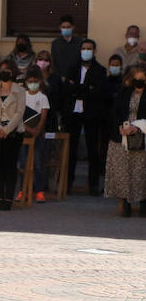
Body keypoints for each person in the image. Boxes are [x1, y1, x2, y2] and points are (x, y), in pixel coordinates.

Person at [63, 38, 109, 195]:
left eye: (89, 48)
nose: (86, 51)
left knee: (92, 150)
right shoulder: (72, 68)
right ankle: (67, 183)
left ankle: (93, 184)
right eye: (84, 48)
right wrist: (85, 88)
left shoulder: (100, 70)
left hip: (91, 114)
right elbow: (67, 90)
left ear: (94, 51)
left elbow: (98, 92)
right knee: (71, 150)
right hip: (73, 113)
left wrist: (77, 88)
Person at [0, 61, 27, 211]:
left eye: (7, 70)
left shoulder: (20, 91)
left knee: (10, 164)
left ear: (13, 72)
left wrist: (7, 129)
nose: (4, 72)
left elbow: (20, 112)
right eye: (1, 69)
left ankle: (8, 198)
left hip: (13, 131)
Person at [105, 64, 146, 216]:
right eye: (136, 79)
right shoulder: (123, 93)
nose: (139, 82)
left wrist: (137, 127)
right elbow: (114, 113)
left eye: (142, 79)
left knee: (141, 172)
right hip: (122, 137)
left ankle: (143, 201)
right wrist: (120, 127)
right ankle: (124, 200)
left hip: (142, 137)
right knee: (123, 171)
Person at [21, 65, 52, 202]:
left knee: (38, 163)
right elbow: (18, 115)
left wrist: (37, 130)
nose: (32, 83)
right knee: (23, 163)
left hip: (38, 134)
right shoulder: (22, 96)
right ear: (26, 81)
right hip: (23, 133)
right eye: (30, 81)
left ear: (39, 81)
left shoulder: (43, 97)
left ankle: (39, 191)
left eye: (35, 80)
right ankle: (23, 190)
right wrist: (26, 128)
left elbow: (44, 116)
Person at [51, 15, 83, 85]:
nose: (66, 29)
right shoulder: (55, 43)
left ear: (73, 27)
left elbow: (81, 62)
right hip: (60, 79)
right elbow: (54, 62)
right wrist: (61, 77)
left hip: (76, 80)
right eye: (63, 27)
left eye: (68, 27)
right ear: (60, 28)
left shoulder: (80, 42)